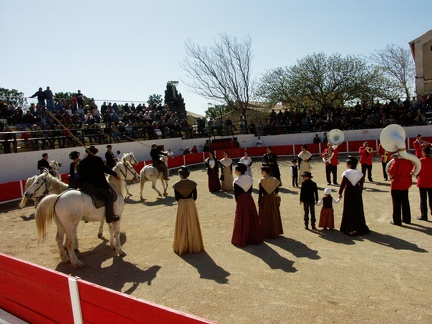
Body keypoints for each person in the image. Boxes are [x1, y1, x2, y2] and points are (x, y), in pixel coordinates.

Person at [78, 145, 120, 223]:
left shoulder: (82, 162)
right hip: (97, 185)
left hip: (86, 186)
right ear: (94, 152)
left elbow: (80, 175)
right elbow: (105, 169)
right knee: (110, 196)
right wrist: (114, 174)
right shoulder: (97, 159)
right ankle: (110, 216)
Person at [172, 166, 204, 255]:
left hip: (181, 204)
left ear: (180, 175)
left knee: (182, 224)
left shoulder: (176, 185)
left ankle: (182, 245)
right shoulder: (192, 184)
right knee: (192, 223)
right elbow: (195, 197)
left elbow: (177, 198)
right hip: (191, 204)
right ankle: (194, 245)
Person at [231, 163, 263, 247]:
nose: (235, 171)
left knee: (241, 218)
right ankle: (253, 236)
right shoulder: (250, 179)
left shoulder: (236, 181)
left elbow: (236, 194)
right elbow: (250, 191)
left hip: (241, 200)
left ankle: (242, 238)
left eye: (236, 170)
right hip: (249, 198)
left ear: (239, 171)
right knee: (251, 216)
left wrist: (238, 202)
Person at [338, 156, 370, 236]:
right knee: (358, 209)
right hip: (357, 192)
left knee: (348, 209)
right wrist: (360, 192)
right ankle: (359, 225)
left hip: (348, 192)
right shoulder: (360, 173)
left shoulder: (346, 173)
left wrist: (340, 193)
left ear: (349, 164)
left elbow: (343, 184)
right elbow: (361, 184)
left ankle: (347, 226)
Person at [388, 152, 416, 225]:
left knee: (396, 203)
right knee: (405, 202)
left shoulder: (396, 162)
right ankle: (407, 219)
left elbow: (391, 172)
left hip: (397, 184)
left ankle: (397, 221)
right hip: (405, 184)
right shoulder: (409, 162)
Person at [258, 164, 283, 238]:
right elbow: (277, 191)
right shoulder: (274, 180)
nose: (261, 172)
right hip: (272, 198)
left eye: (262, 171)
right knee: (273, 214)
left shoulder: (262, 180)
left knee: (264, 214)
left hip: (265, 198)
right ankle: (275, 231)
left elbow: (260, 192)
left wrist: (259, 201)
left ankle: (265, 232)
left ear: (265, 172)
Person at [417, 147, 432, 221]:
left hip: (422, 182)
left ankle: (424, 215)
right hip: (431, 183)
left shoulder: (420, 161)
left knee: (423, 200)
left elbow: (416, 172)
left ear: (424, 153)